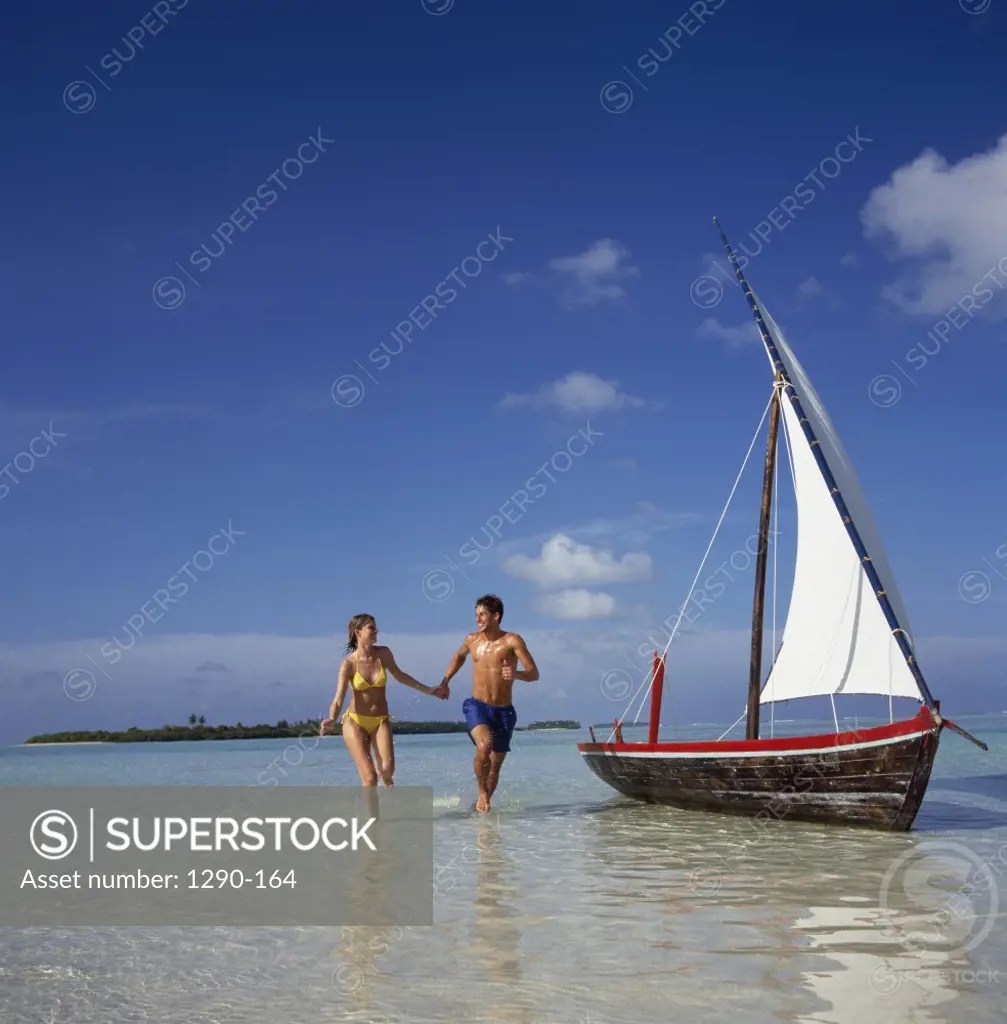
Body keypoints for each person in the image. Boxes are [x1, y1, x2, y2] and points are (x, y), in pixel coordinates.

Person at [437, 595, 539, 813]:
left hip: (504, 712)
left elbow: (534, 673)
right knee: (484, 746)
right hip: (477, 706)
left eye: (482, 614)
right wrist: (445, 681)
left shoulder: (513, 641)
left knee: (494, 768)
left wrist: (516, 674)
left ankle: (482, 809)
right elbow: (458, 657)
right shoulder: (472, 640)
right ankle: (481, 792)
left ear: (496, 616)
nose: (478, 619)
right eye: (476, 615)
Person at [320, 614, 447, 787]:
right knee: (370, 778)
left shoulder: (383, 654)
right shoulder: (348, 664)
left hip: (380, 720)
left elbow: (400, 676)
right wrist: (332, 718)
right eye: (371, 627)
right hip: (355, 721)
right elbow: (338, 698)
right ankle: (373, 814)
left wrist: (429, 690)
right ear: (358, 632)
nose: (376, 631)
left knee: (387, 771)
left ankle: (388, 802)